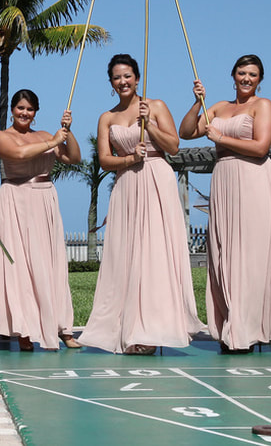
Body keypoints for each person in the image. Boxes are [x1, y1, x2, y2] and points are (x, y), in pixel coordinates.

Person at [179, 54, 271, 352]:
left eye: (252, 74)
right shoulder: (218, 108)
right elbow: (186, 133)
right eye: (242, 73)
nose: (246, 79)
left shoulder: (263, 106)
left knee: (250, 254)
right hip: (224, 179)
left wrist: (220, 137)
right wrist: (196, 101)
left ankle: (247, 329)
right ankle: (232, 322)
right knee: (225, 254)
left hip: (253, 178)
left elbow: (261, 147)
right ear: (233, 75)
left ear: (260, 79)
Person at [79, 54, 202, 354]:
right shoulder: (106, 118)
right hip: (126, 184)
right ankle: (126, 325)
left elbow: (173, 146)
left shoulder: (156, 106)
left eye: (127, 76)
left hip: (157, 179)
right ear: (111, 83)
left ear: (137, 77)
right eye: (116, 77)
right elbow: (106, 160)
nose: (122, 82)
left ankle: (152, 328)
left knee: (155, 252)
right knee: (126, 254)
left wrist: (150, 126)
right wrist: (130, 158)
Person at [0, 89, 82, 351]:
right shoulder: (1, 136)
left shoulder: (45, 136)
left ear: (35, 112)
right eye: (20, 108)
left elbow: (73, 158)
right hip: (15, 200)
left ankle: (62, 327)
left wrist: (67, 132)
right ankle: (24, 331)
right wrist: (53, 142)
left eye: (29, 109)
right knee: (20, 266)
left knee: (50, 264)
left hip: (44, 199)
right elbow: (18, 154)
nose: (24, 113)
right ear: (12, 110)